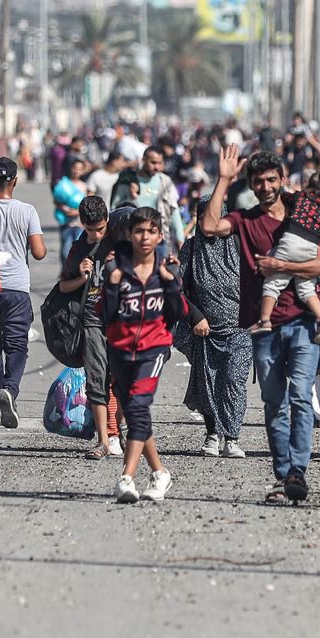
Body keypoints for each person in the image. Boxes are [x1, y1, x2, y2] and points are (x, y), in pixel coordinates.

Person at [202, 146, 320, 505]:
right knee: (273, 403)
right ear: (253, 185)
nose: (266, 185)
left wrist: (281, 268)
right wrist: (224, 178)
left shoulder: (302, 214)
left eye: (271, 178)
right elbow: (210, 225)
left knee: (300, 398)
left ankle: (297, 472)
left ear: (282, 178)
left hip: (303, 323)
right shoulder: (245, 220)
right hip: (265, 329)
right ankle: (282, 473)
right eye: (258, 181)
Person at [101, 207, 185, 504]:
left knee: (137, 406)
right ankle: (160, 473)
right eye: (139, 231)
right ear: (129, 234)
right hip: (121, 350)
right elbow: (107, 315)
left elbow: (177, 313)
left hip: (154, 349)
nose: (145, 237)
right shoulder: (116, 269)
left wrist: (170, 283)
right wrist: (111, 287)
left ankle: (126, 477)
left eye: (151, 231)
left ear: (160, 235)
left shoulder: (167, 269)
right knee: (137, 413)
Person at [0, 157, 47, 427]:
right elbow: (38, 253)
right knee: (17, 345)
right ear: (16, 180)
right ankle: (10, 390)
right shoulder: (27, 211)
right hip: (17, 289)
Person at [178, 197, 251, 459]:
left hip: (240, 328)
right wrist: (195, 316)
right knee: (208, 382)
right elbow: (178, 290)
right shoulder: (190, 248)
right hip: (205, 330)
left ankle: (232, 437)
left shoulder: (241, 245)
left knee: (233, 381)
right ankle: (211, 435)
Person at [59, 196, 124, 460]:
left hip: (121, 318)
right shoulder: (78, 248)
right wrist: (81, 276)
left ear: (108, 221)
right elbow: (63, 286)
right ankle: (103, 441)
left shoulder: (120, 242)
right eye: (90, 230)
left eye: (100, 228)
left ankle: (117, 428)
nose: (96, 234)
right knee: (97, 379)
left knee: (122, 380)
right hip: (92, 319)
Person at [251, 169, 320, 342]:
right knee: (306, 288)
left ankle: (264, 320)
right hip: (312, 248)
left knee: (272, 283)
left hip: (291, 241)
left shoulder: (301, 198)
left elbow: (284, 198)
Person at [132, 147, 186, 252]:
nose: (156, 167)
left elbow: (174, 212)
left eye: (159, 163)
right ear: (143, 160)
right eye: (153, 163)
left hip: (160, 240)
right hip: (135, 240)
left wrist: (180, 240)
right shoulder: (130, 181)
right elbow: (117, 209)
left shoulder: (165, 182)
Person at [53, 158, 89, 264]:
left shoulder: (84, 186)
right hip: (66, 223)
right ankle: (65, 272)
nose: (76, 171)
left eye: (79, 169)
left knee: (78, 251)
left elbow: (87, 204)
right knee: (65, 252)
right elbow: (57, 201)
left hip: (80, 224)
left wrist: (77, 212)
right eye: (75, 168)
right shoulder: (63, 184)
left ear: (83, 171)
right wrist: (63, 208)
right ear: (71, 169)